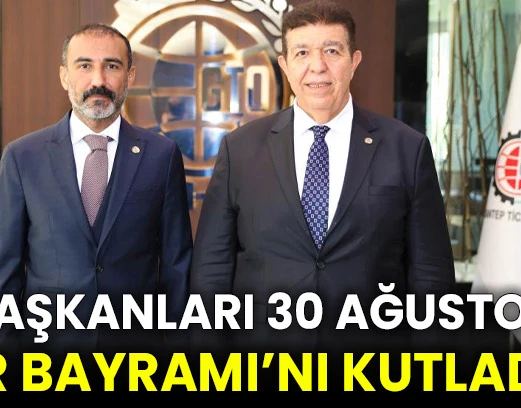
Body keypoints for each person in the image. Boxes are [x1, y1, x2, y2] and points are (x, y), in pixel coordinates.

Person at [190, 0, 456, 353]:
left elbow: (431, 273)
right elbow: (211, 269)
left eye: (332, 50)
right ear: (285, 65)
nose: (317, 66)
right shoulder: (240, 149)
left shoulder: (406, 148)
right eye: (302, 52)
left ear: (354, 61)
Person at [0, 23, 193, 354]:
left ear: (130, 76)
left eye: (112, 66)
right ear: (64, 76)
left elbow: (176, 267)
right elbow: (4, 275)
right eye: (84, 66)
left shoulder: (162, 156)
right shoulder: (23, 157)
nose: (98, 80)